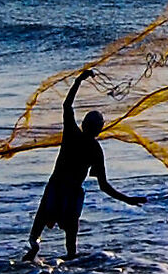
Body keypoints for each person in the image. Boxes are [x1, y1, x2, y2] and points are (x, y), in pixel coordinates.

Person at [25, 68, 139, 260]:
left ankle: (34, 248)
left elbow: (67, 105)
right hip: (71, 193)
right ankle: (70, 266)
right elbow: (104, 186)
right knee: (71, 243)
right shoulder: (95, 150)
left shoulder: (72, 134)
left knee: (37, 230)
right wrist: (128, 199)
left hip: (55, 187)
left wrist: (79, 80)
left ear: (84, 124)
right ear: (99, 130)